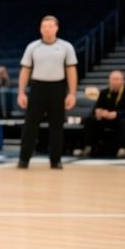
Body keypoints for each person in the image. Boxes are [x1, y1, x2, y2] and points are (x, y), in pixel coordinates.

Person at [17, 15, 77, 169]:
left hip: (57, 88)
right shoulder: (32, 47)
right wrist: (21, 92)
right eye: (44, 26)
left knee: (57, 126)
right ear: (40, 29)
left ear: (56, 28)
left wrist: (72, 93)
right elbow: (25, 70)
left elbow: (71, 70)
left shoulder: (66, 47)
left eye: (50, 26)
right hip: (37, 88)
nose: (47, 29)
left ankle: (55, 160)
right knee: (30, 125)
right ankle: (24, 159)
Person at [77, 70, 125, 159]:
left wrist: (116, 114)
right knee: (89, 120)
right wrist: (99, 112)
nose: (114, 82)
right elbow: (96, 108)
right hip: (106, 119)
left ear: (123, 81)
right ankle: (88, 147)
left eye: (117, 79)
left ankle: (122, 149)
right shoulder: (104, 93)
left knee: (124, 122)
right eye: (112, 79)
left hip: (121, 119)